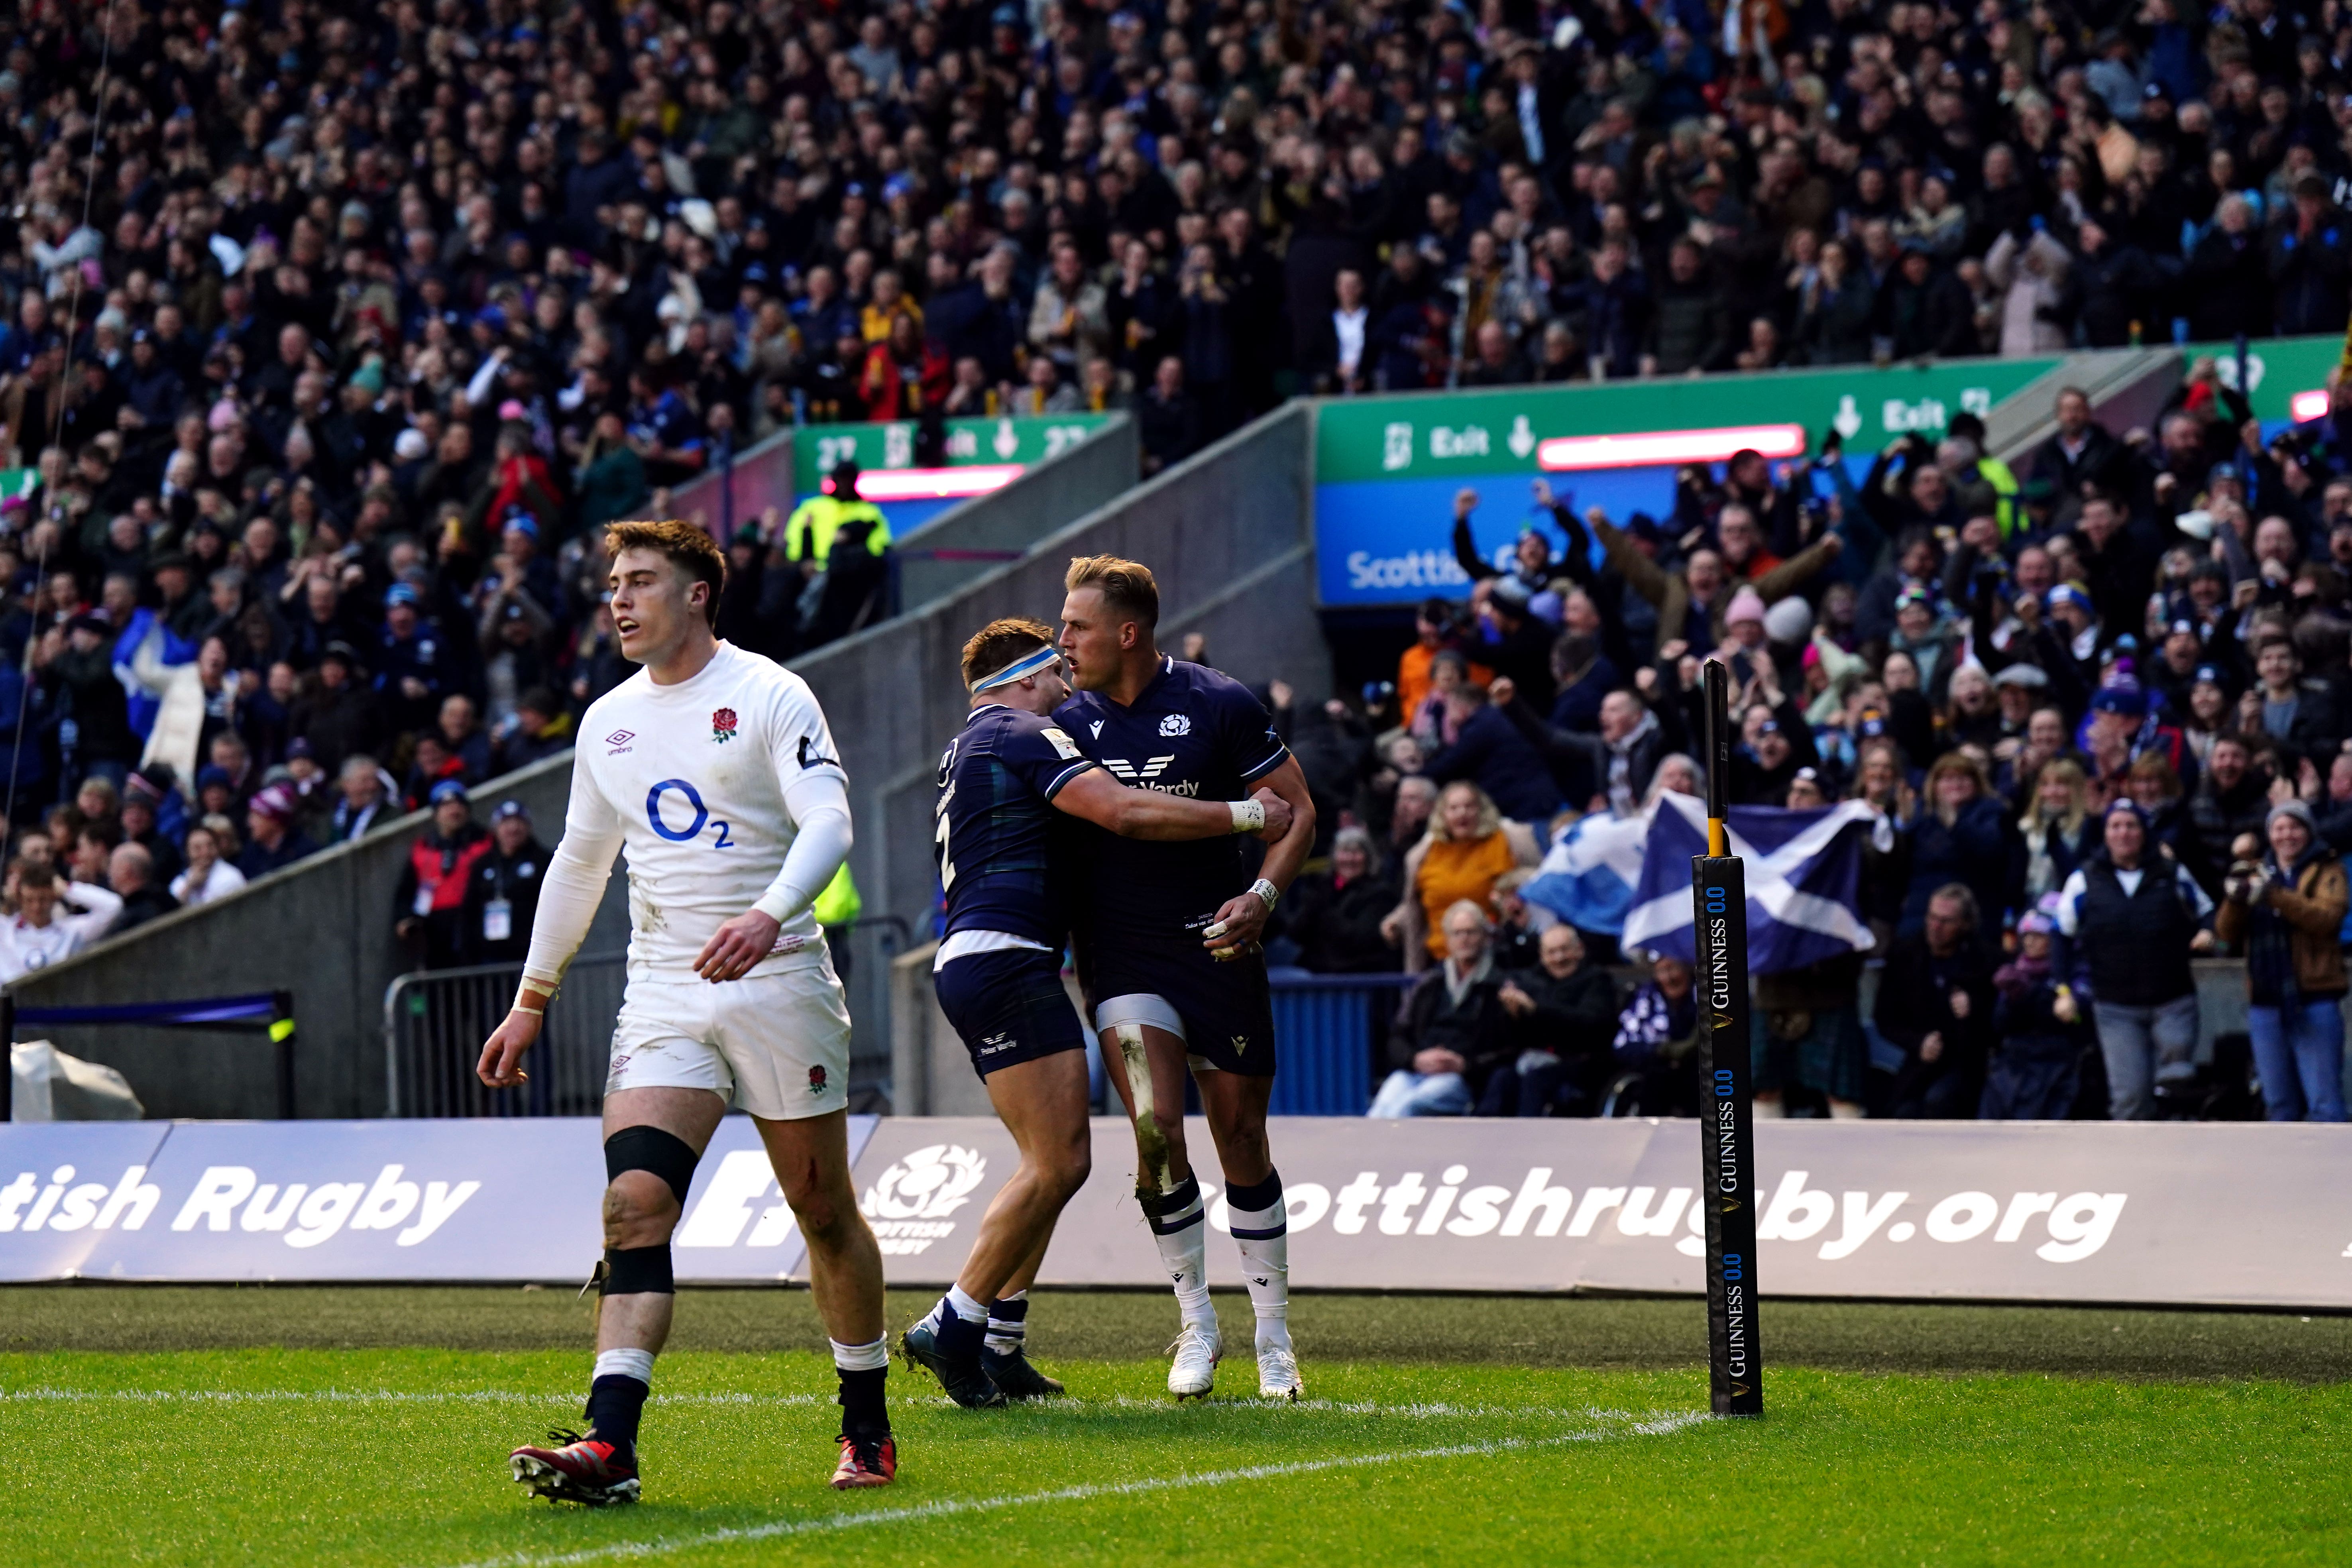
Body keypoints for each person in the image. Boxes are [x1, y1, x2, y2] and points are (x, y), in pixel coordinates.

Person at [478, 519, 898, 1498]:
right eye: (612, 585)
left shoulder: (768, 693)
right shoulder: (608, 721)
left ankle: (867, 1425)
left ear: (699, 592)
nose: (619, 601)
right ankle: (609, 1447)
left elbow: (830, 821)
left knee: (823, 1211)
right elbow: (581, 863)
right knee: (633, 1206)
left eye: (641, 582)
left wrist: (768, 914)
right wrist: (531, 997)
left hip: (779, 976)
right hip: (665, 988)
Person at [903, 616, 1293, 1408]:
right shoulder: (1022, 729)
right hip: (1009, 958)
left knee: (1044, 1165)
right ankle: (955, 1320)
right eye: (1053, 673)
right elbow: (1120, 811)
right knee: (1061, 1163)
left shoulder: (968, 742)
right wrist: (1247, 816)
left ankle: (1002, 1336)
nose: (1064, 690)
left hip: (986, 956)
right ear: (1023, 677)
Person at [1051, 554, 1318, 1402]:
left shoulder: (1218, 701)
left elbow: (1297, 810)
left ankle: (1274, 1336)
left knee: (1241, 1137)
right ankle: (1197, 1320)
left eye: (1077, 627)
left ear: (1126, 633)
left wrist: (1262, 895)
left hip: (1218, 944)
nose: (1064, 640)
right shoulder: (1066, 718)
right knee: (1157, 1130)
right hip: (1120, 954)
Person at [2056, 799, 2216, 1120]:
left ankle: (2181, 1164)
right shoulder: (2084, 880)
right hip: (2116, 1008)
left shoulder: (2171, 872)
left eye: (2131, 825)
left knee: (2176, 1089)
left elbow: (2208, 912)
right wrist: (2062, 991)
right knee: (2129, 1098)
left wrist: (2208, 933)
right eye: (2115, 826)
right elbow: (2061, 935)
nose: (2123, 833)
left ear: (2144, 832)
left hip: (2173, 1001)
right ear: (2105, 834)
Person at [2215, 800, 2348, 1122]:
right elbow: (2225, 934)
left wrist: (2272, 895)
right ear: (2269, 835)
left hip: (2314, 998)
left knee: (2324, 1103)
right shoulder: (2255, 871)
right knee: (2277, 1104)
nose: (2286, 835)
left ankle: (2331, 1171)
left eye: (2294, 827)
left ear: (2308, 832)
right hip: (2265, 999)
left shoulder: (2328, 869)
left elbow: (2325, 919)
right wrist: (2236, 899)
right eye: (2279, 828)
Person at [1370, 900, 1511, 1117]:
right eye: (1457, 933)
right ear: (1448, 940)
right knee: (1380, 1111)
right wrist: (1414, 1059)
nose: (1464, 939)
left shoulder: (1499, 986)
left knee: (1407, 1108)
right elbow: (1397, 1036)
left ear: (1484, 936)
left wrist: (1466, 1065)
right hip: (1417, 1070)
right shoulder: (1430, 984)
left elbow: (1509, 1050)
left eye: (1471, 932)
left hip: (1461, 1079)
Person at [1381, 781, 1542, 970]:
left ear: (1481, 810)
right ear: (1442, 814)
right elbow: (1416, 902)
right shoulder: (1424, 853)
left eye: (1469, 806)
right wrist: (1397, 922)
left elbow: (1538, 884)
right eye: (1454, 808)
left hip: (1499, 958)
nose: (1462, 813)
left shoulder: (1510, 840)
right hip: (1441, 960)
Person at [1874, 884, 1998, 1118]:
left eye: (1946, 921)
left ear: (1964, 924)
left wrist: (1974, 1010)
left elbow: (1998, 1027)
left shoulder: (1985, 961)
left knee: (1940, 1102)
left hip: (1966, 1066)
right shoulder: (1906, 955)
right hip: (1920, 1062)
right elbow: (1885, 1018)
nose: (1936, 927)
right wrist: (1918, 1042)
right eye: (1932, 918)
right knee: (1902, 1112)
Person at [1478, 923, 1620, 1115]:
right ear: (1542, 956)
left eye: (1565, 950)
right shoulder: (1529, 980)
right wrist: (1513, 1014)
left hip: (1579, 1064)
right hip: (1531, 1058)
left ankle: (1528, 1139)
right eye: (1552, 952)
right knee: (1502, 1077)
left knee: (1537, 1080)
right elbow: (1507, 1036)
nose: (1559, 958)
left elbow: (1591, 1023)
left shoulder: (1597, 980)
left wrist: (1536, 1009)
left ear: (1579, 950)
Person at [394, 782, 492, 970]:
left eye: (459, 805)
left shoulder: (485, 842)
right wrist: (404, 919)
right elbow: (406, 891)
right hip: (434, 934)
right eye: (446, 806)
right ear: (436, 813)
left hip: (475, 930)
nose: (454, 811)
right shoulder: (423, 849)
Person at [1275, 826, 1399, 974]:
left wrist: (1325, 909)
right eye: (1344, 852)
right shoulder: (1322, 889)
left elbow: (1361, 940)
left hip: (1358, 977)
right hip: (1316, 973)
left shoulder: (1381, 894)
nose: (1349, 859)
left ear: (1368, 857)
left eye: (1356, 852)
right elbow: (1295, 933)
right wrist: (1312, 905)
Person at [458, 800, 552, 967]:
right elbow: (469, 910)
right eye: (506, 822)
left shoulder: (544, 862)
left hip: (532, 956)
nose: (513, 828)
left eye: (519, 822)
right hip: (489, 955)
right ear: (496, 828)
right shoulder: (483, 865)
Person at [0, 860, 123, 978]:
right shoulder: (5, 930)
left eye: (43, 900)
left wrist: (67, 889)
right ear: (20, 899)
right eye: (29, 900)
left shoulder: (73, 931)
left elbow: (113, 906)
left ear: (54, 898)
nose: (36, 907)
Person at [168, 821, 246, 909]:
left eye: (210, 846)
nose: (205, 853)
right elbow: (172, 910)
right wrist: (189, 887)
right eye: (197, 848)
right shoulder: (179, 883)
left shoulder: (230, 876)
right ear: (188, 852)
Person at [106, 843, 179, 933]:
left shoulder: (134, 917)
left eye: (112, 866)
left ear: (125, 870)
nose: (109, 872)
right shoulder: (168, 899)